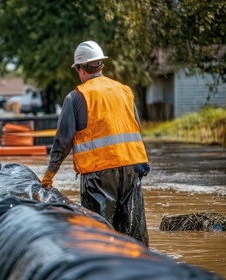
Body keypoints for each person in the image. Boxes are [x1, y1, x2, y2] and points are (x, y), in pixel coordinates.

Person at [40, 41, 151, 246]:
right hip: (132, 167)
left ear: (81, 69)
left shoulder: (76, 97)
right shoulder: (124, 90)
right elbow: (136, 127)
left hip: (98, 174)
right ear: (101, 66)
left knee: (99, 236)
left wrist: (50, 174)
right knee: (133, 235)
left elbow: (63, 140)